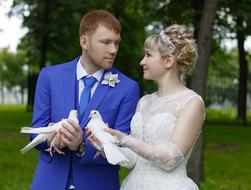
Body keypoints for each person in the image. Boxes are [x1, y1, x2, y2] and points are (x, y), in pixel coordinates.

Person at [29, 10, 140, 190]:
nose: (113, 50)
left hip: (98, 184)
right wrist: (51, 139)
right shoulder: (49, 77)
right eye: (106, 42)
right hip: (49, 183)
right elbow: (34, 133)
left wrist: (81, 146)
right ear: (84, 41)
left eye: (116, 43)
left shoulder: (128, 88)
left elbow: (122, 150)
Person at [88, 24, 205, 190]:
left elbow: (170, 159)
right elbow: (135, 160)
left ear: (168, 60)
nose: (142, 61)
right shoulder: (144, 102)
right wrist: (106, 146)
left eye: (148, 55)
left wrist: (125, 139)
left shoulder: (192, 103)